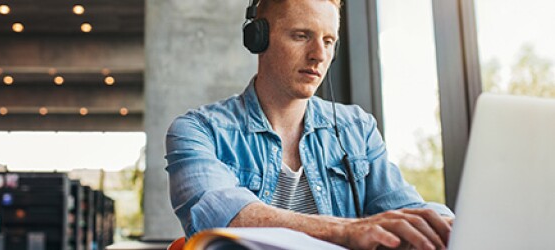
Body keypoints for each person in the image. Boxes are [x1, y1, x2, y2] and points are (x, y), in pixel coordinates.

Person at [164, 0, 454, 249]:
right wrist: (346, 231)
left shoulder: (357, 128)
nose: (319, 54)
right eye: (302, 36)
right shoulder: (198, 130)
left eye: (328, 41)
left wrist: (450, 225)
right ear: (258, 39)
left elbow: (405, 209)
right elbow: (222, 217)